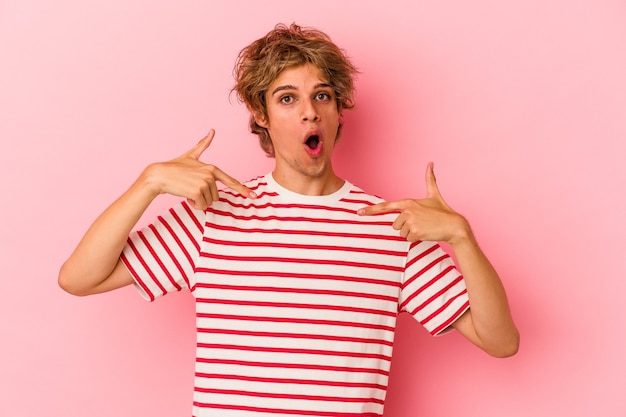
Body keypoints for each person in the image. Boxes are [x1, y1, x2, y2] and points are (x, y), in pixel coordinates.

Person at [59, 23, 519, 417]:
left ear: (339, 112)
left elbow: (500, 341)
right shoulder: (214, 216)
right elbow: (79, 278)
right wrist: (149, 183)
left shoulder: (389, 228)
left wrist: (462, 237)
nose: (308, 111)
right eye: (286, 98)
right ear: (260, 114)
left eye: (322, 96)